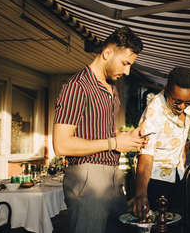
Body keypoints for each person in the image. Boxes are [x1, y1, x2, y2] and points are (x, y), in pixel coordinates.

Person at [53, 26, 147, 233]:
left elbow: (99, 136)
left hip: (113, 179)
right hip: (88, 180)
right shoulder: (77, 86)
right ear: (107, 53)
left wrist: (125, 138)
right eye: (125, 63)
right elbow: (61, 145)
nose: (127, 71)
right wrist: (114, 143)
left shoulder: (111, 89)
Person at [133, 67, 190, 220]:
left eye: (188, 103)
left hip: (178, 176)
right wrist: (141, 194)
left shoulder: (184, 105)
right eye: (178, 102)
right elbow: (146, 155)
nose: (182, 107)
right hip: (155, 181)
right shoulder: (154, 111)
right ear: (167, 90)